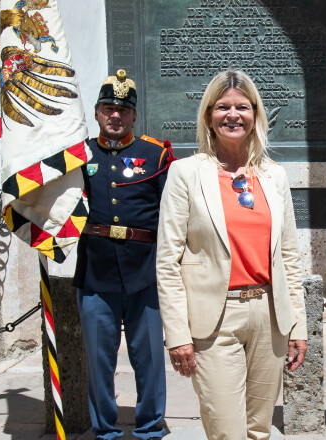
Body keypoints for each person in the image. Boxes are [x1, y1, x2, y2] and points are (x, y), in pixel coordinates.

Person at [155, 69, 308, 440]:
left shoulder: (274, 176)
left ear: (255, 115)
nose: (233, 115)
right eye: (222, 107)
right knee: (226, 431)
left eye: (242, 107)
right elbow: (168, 261)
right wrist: (178, 334)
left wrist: (297, 325)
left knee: (259, 430)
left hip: (268, 317)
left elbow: (289, 256)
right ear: (208, 115)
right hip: (214, 320)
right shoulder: (185, 174)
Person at [73, 69, 172, 440]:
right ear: (97, 113)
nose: (115, 115)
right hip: (96, 272)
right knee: (99, 360)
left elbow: (172, 212)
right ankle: (105, 430)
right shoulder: (79, 155)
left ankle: (149, 427)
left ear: (133, 115)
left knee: (148, 357)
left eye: (122, 109)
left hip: (144, 271)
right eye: (107, 108)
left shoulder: (155, 155)